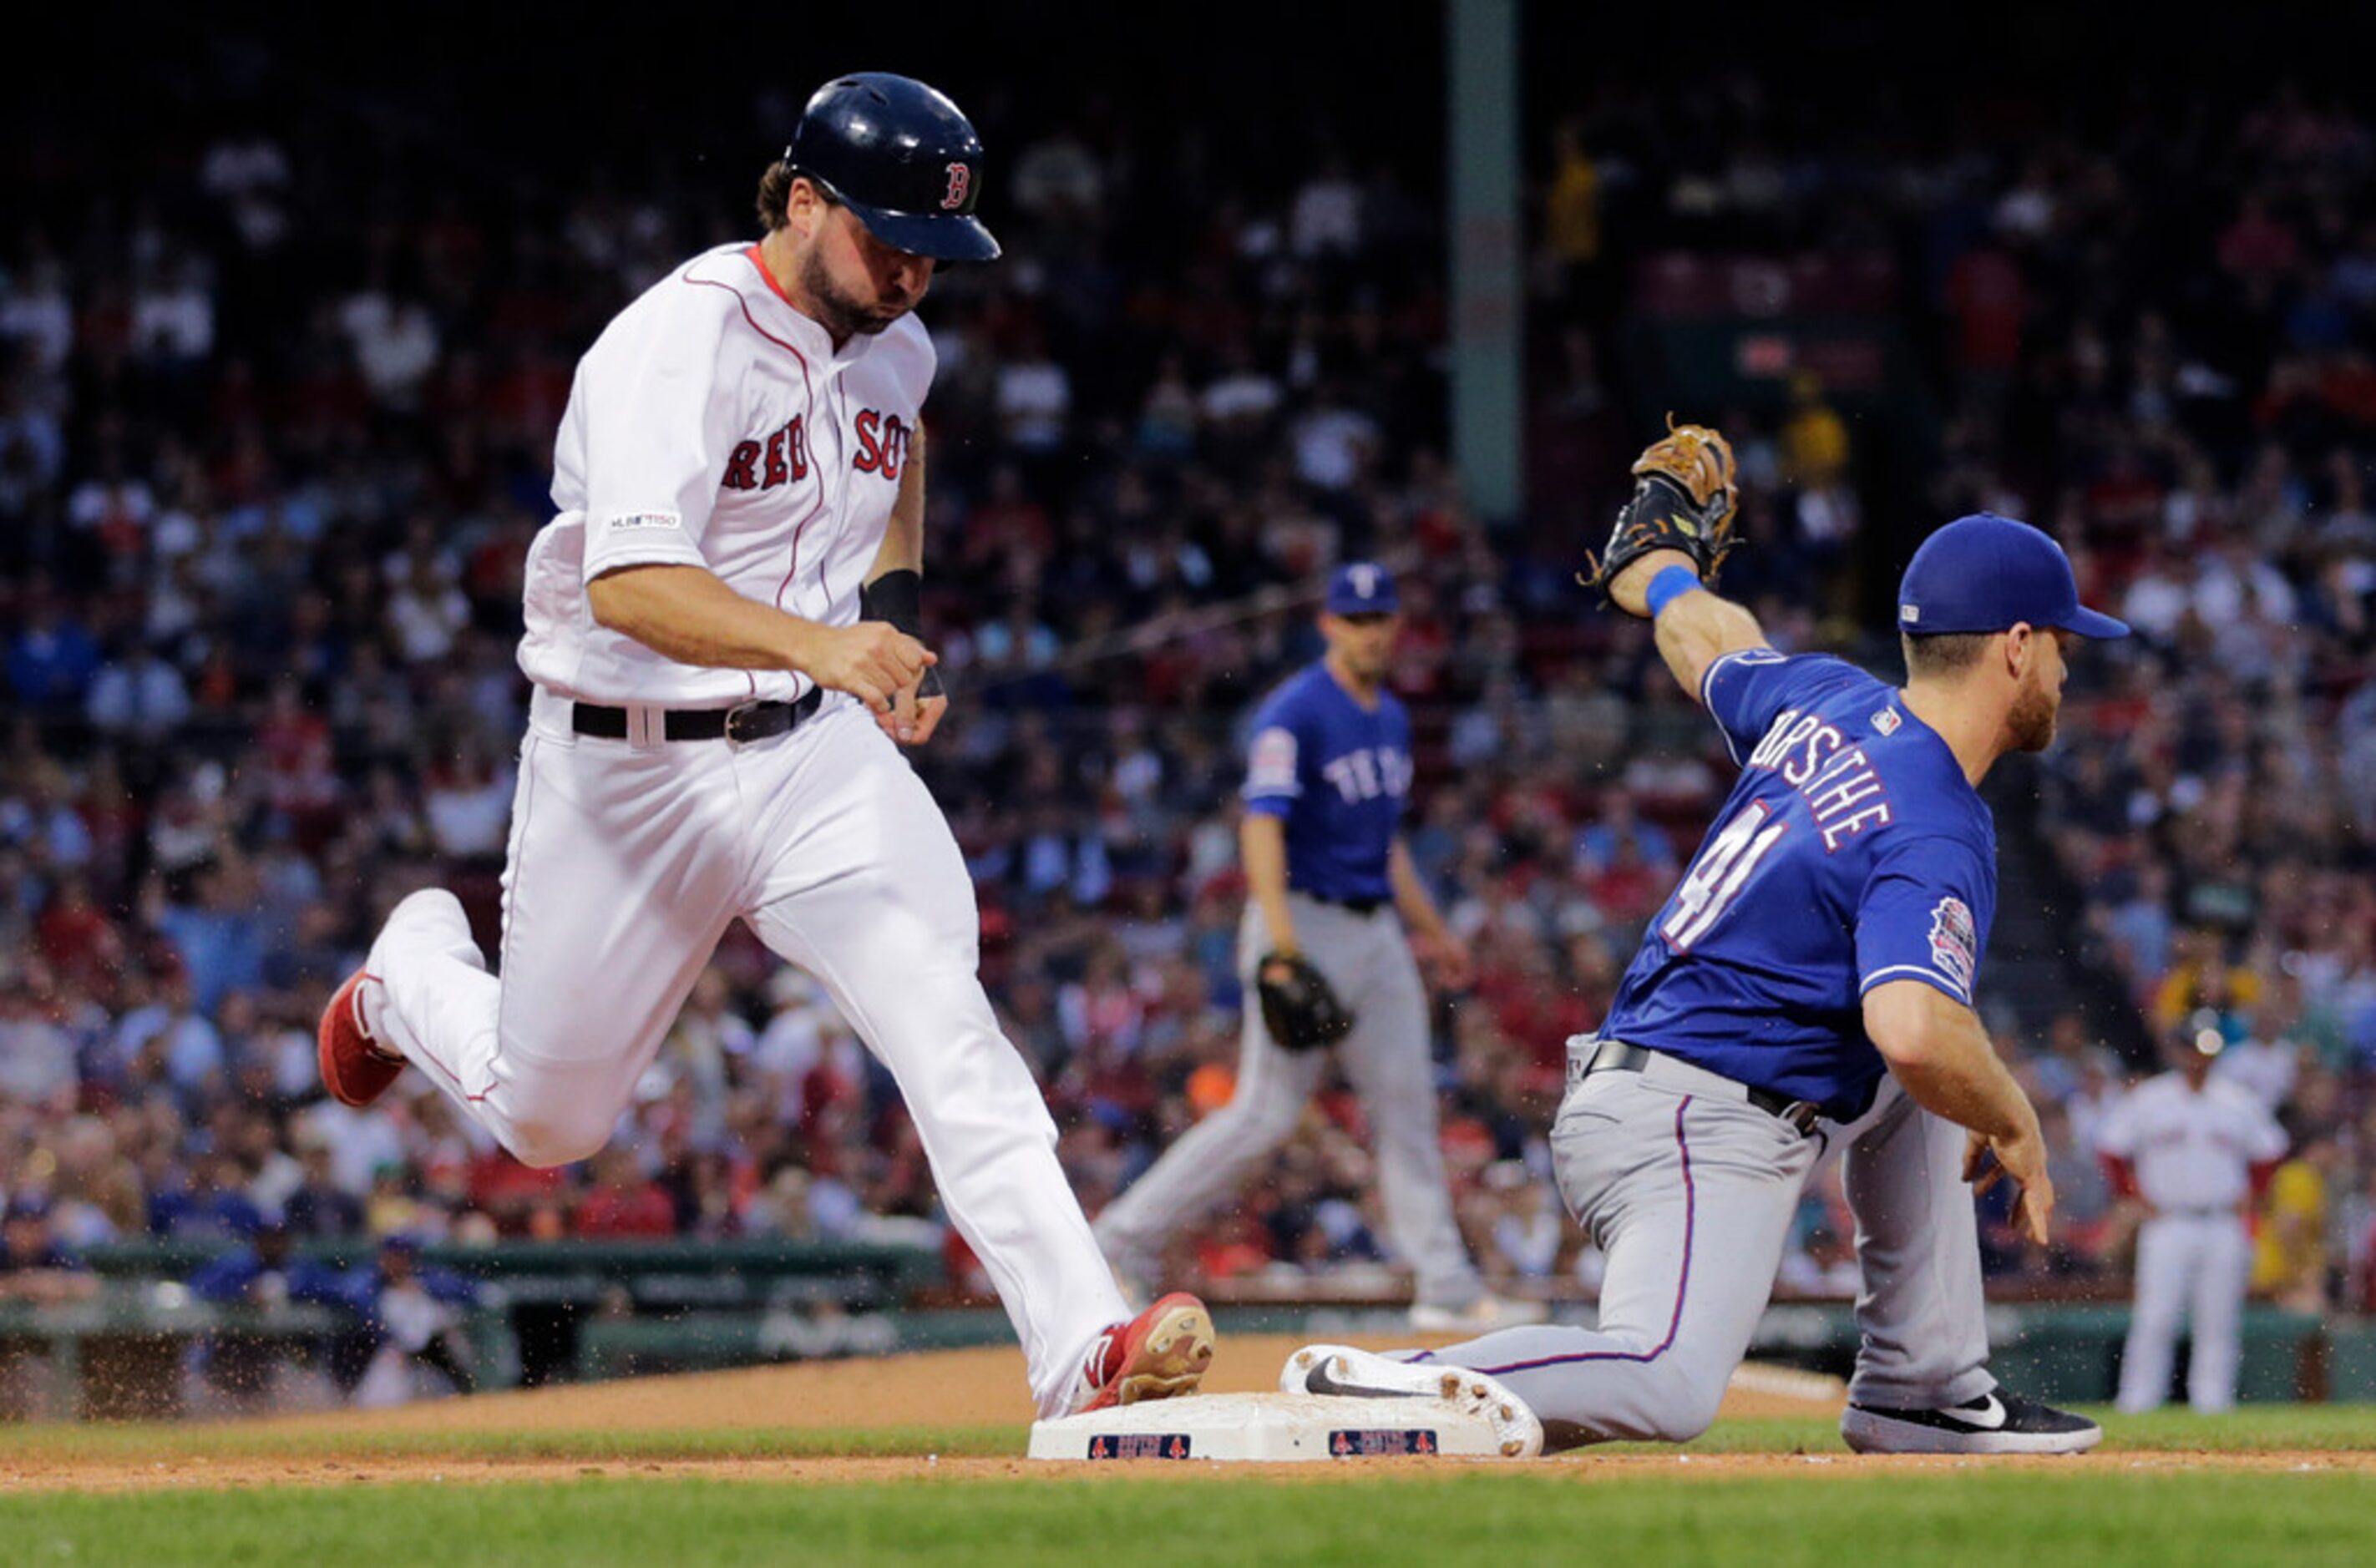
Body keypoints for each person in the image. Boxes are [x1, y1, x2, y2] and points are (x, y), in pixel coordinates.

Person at [312, 72, 1211, 1421]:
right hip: (627, 766)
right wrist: (825, 644)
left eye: (934, 250)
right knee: (549, 1121)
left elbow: (894, 453)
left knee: (942, 1016)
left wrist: (889, 619)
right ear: (803, 199)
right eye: (887, 237)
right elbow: (631, 584)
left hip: (810, 760)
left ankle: (1080, 1347)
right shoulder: (677, 342)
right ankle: (408, 974)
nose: (913, 271)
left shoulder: (898, 344)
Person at [1288, 479, 2120, 1454]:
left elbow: (1706, 640)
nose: (2068, 669)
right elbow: (1909, 1025)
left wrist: (1666, 574)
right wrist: (2015, 1116)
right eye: (2062, 644)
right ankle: (1395, 1384)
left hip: (1672, 1088)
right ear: (2015, 647)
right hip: (1694, 1120)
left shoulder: (1828, 697)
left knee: (1936, 1072)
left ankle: (1921, 1386)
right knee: (1667, 1382)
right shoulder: (1936, 823)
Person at [1094, 563, 1544, 1332]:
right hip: (1302, 919)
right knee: (1265, 1114)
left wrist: (1433, 934)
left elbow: (1385, 841)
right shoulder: (1294, 713)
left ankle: (1443, 1284)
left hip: (1374, 928)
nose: (1370, 631)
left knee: (1405, 1109)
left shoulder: (1391, 718)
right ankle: (1117, 1242)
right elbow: (1260, 823)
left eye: (1381, 618)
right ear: (1329, 624)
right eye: (1355, 618)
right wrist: (1278, 940)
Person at [2094, 1028, 2287, 1414]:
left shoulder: (2237, 1100)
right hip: (2168, 1222)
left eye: (2206, 1051)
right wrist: (2133, 1197)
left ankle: (2213, 1404)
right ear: (2178, 1050)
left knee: (2218, 1321)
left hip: (2221, 1222)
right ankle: (2137, 1403)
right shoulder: (2151, 1099)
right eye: (2192, 1049)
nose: (2198, 1059)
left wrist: (2254, 1194)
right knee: (2155, 1316)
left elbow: (2271, 1151)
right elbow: (2111, 1149)